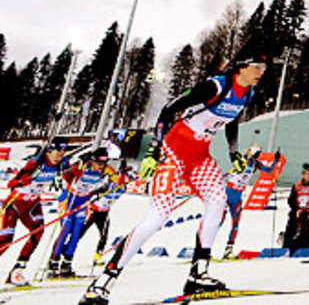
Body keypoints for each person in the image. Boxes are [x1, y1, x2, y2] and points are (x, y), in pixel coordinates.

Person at [80, 54, 268, 305]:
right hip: (173, 154)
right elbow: (168, 110)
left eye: (264, 68)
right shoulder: (215, 86)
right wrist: (153, 150)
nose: (261, 72)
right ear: (242, 66)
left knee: (218, 201)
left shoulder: (247, 93)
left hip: (200, 158)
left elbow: (232, 120)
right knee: (158, 216)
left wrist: (234, 154)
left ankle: (198, 274)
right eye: (257, 66)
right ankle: (103, 282)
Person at [1, 137, 71, 286]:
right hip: (16, 203)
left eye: (64, 150)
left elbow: (70, 178)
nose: (61, 154)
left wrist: (75, 176)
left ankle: (17, 271)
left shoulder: (63, 163)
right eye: (59, 150)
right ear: (50, 150)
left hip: (33, 204)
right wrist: (22, 181)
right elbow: (11, 184)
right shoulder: (35, 163)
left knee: (38, 232)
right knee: (6, 240)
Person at [49, 148, 119, 278]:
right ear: (92, 161)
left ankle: (67, 263)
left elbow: (115, 181)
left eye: (103, 163)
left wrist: (108, 186)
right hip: (69, 199)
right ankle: (53, 262)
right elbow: (66, 175)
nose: (101, 166)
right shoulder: (84, 165)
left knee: (76, 233)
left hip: (83, 202)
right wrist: (77, 165)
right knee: (66, 229)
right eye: (98, 163)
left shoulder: (106, 170)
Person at [221, 145, 279, 258]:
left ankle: (229, 249)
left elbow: (269, 170)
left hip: (237, 195)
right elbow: (236, 163)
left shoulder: (256, 164)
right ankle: (203, 248)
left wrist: (275, 160)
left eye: (259, 155)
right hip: (228, 193)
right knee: (219, 221)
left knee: (236, 223)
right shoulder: (241, 160)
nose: (258, 156)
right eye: (257, 154)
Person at [82, 161, 131, 264]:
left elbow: (125, 182)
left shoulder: (122, 185)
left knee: (104, 235)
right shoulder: (108, 182)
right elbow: (95, 189)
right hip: (93, 210)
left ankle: (98, 256)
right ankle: (65, 254)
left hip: (104, 212)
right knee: (80, 233)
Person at [283, 164, 309, 253]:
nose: (308, 176)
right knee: (291, 227)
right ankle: (286, 247)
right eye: (307, 174)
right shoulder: (297, 185)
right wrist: (297, 209)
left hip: (308, 211)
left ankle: (306, 246)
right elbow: (291, 200)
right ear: (303, 175)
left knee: (305, 227)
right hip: (297, 210)